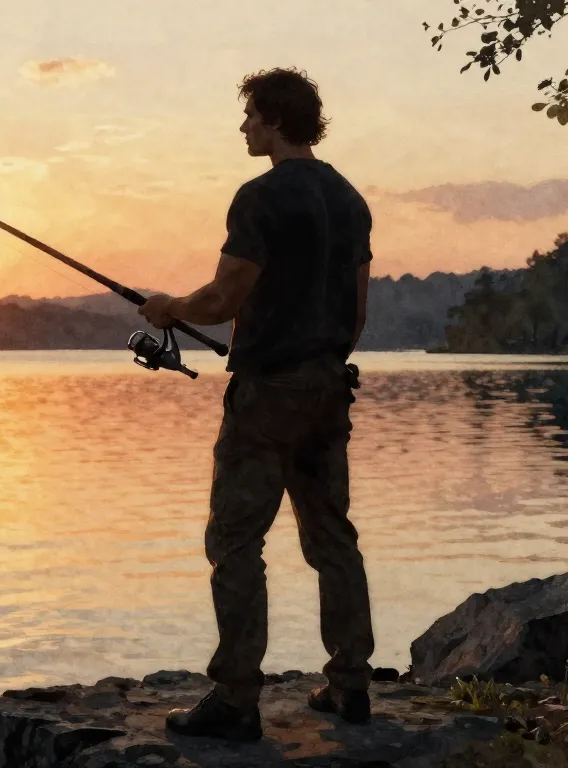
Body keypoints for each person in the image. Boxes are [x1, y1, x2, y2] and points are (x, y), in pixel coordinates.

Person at [137, 67, 375, 742]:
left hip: (268, 394)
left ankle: (237, 699)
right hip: (328, 388)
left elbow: (222, 298)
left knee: (235, 541)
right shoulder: (350, 200)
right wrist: (320, 360)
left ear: (273, 119)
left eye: (249, 116)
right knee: (333, 539)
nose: (243, 127)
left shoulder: (261, 197)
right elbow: (358, 310)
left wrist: (169, 307)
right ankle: (350, 685)